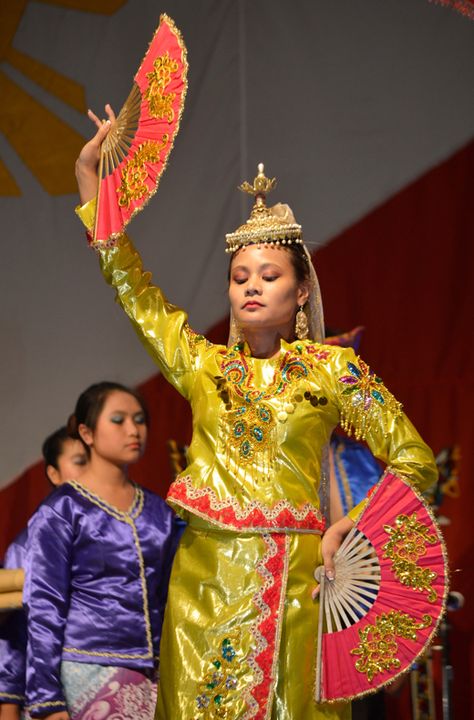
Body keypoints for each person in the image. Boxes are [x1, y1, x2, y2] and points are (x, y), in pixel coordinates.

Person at [74, 110, 438, 719]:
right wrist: (92, 179)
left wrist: (353, 526)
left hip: (297, 579)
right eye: (239, 276)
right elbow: (132, 288)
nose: (251, 286)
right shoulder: (203, 366)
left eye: (269, 276)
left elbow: (415, 459)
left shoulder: (331, 370)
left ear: (300, 293)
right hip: (205, 580)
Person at [23, 382, 181, 720]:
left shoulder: (159, 513)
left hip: (157, 675)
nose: (133, 429)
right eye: (118, 420)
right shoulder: (62, 510)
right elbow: (43, 607)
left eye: (139, 419)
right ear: (87, 432)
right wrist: (47, 701)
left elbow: (174, 601)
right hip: (88, 668)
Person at [0, 429, 88, 720]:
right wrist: (9, 707)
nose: (90, 470)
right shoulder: (26, 547)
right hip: (58, 697)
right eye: (79, 461)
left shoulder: (127, 530)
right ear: (54, 473)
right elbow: (14, 638)